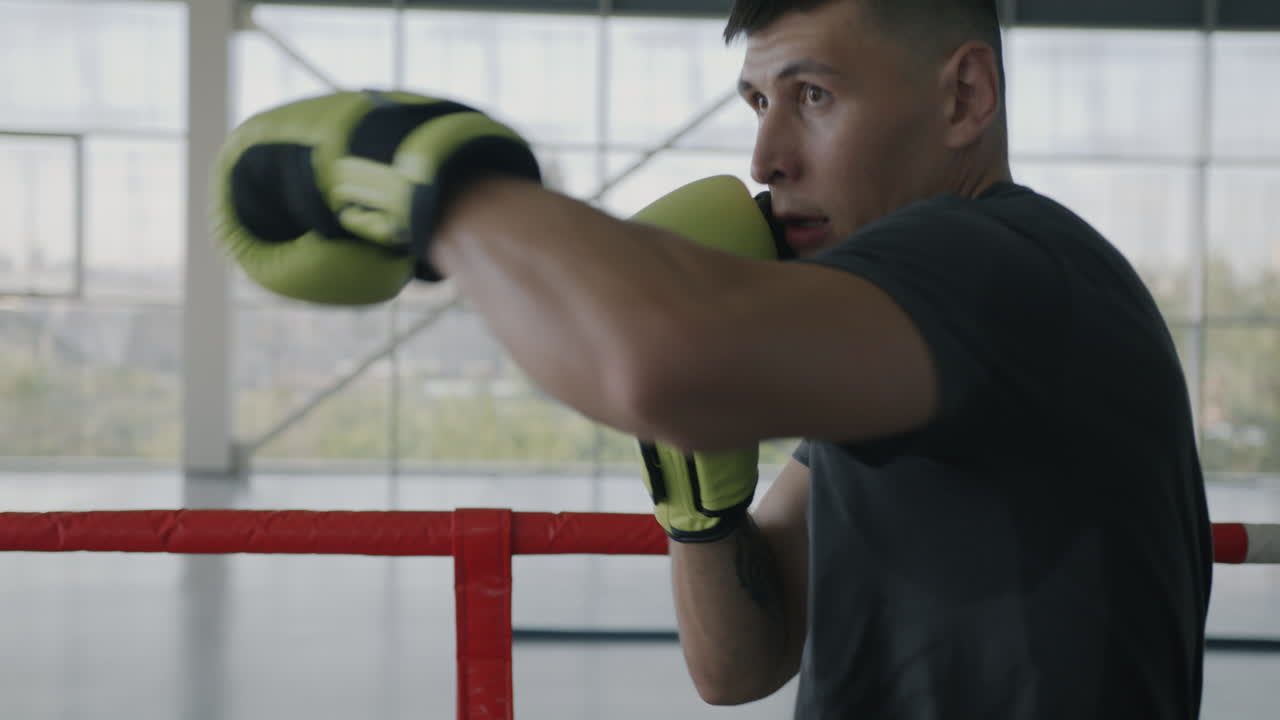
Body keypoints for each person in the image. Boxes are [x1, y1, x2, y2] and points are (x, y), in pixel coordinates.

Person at [213, 0, 1213, 717]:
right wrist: (697, 493)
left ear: (962, 97)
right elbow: (738, 665)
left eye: (813, 95)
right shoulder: (907, 339)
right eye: (756, 105)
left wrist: (435, 180)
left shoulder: (990, 263)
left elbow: (657, 361)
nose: (765, 158)